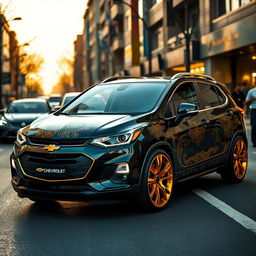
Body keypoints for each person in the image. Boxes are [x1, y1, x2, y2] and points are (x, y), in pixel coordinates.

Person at [246, 80, 256, 147]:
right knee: (254, 125)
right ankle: (254, 142)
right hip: (254, 109)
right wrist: (252, 99)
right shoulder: (251, 91)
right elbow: (246, 101)